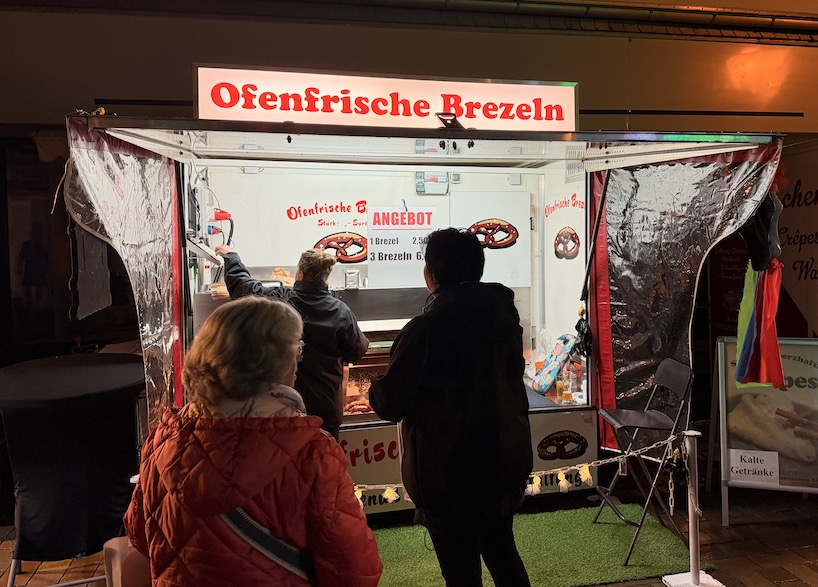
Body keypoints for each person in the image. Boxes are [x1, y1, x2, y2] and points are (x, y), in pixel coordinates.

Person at [124, 295, 383, 586]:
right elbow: (354, 571)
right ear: (272, 362)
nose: (298, 361)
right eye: (297, 349)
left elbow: (140, 536)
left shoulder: (163, 439)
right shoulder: (312, 451)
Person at [368, 228, 533, 587]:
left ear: (432, 274)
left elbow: (390, 403)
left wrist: (374, 385)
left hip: (449, 473)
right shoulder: (505, 320)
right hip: (503, 462)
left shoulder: (425, 330)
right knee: (503, 553)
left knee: (461, 574)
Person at [214, 244, 370, 440]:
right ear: (325, 277)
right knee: (325, 456)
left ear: (300, 273)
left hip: (282, 405)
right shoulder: (341, 311)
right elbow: (356, 351)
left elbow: (243, 288)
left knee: (286, 453)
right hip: (325, 408)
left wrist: (232, 257)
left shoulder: (280, 301)